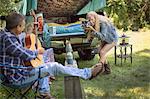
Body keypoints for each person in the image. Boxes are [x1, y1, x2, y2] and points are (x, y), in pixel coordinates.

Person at [0, 12, 103, 99]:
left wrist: (32, 30)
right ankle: (87, 73)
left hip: (18, 72)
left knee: (44, 59)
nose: (23, 29)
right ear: (17, 27)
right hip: (17, 78)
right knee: (53, 66)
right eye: (22, 26)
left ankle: (44, 93)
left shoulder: (7, 34)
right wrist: (38, 52)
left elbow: (24, 38)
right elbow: (25, 55)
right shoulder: (8, 39)